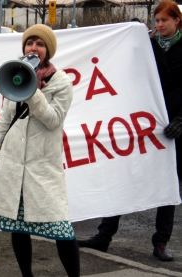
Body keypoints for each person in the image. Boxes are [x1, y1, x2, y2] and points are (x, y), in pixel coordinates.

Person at [77, 0, 182, 262]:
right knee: (124, 175)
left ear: (177, 21)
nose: (159, 25)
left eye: (164, 21)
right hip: (143, 125)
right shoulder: (147, 46)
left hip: (174, 129)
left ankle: (160, 242)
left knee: (167, 185)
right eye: (156, 20)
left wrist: (181, 120)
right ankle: (104, 235)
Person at [0, 24, 80, 277]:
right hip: (12, 166)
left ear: (48, 51)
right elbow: (4, 122)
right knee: (18, 229)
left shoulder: (61, 82)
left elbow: (53, 120)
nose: (33, 48)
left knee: (62, 230)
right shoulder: (13, 74)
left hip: (42, 168)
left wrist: (33, 91)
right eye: (29, 43)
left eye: (40, 44)